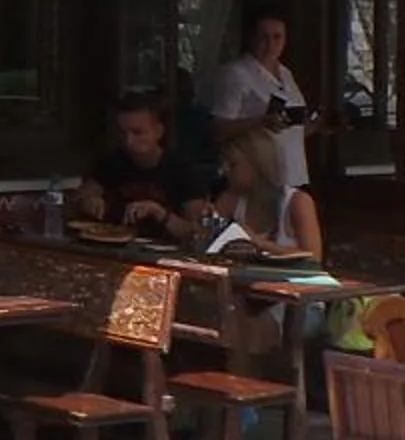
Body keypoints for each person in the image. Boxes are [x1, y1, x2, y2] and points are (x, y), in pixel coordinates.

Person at [73, 93, 213, 241]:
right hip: (117, 245)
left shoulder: (184, 170)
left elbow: (197, 231)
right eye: (122, 133)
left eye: (138, 133)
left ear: (158, 132)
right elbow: (76, 199)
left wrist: (158, 213)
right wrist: (87, 201)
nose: (128, 141)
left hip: (167, 248)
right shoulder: (112, 163)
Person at [213, 13, 319, 195]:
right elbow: (217, 129)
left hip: (294, 173)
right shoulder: (236, 73)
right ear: (251, 38)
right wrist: (260, 121)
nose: (270, 44)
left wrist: (317, 125)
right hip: (258, 173)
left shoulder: (285, 73)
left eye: (277, 37)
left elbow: (291, 131)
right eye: (263, 37)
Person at [217, 126, 322, 260]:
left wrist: (260, 244)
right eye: (223, 164)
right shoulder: (229, 200)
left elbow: (314, 259)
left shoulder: (297, 202)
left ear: (257, 164)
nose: (224, 170)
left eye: (232, 164)